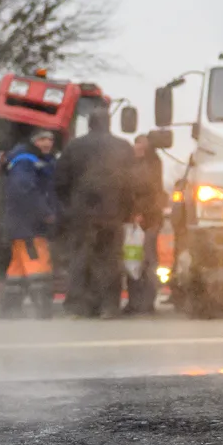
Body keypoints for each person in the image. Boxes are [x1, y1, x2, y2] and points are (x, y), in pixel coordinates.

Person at [55, 109, 139, 319]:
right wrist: (127, 210)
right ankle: (108, 306)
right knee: (110, 260)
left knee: (80, 258)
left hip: (82, 213)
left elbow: (60, 181)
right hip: (112, 213)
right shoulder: (122, 146)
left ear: (90, 123)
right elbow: (131, 183)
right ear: (108, 123)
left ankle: (79, 306)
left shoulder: (74, 146)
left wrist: (70, 206)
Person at [0, 130, 59, 318]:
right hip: (29, 226)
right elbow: (25, 190)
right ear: (34, 141)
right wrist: (45, 212)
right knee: (38, 264)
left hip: (20, 224)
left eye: (50, 139)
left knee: (17, 267)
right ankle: (43, 309)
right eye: (42, 139)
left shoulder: (33, 159)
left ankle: (10, 308)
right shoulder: (26, 160)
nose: (47, 143)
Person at [123, 134, 168, 315]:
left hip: (147, 220)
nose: (138, 147)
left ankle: (145, 302)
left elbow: (147, 190)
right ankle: (137, 301)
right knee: (134, 259)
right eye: (137, 144)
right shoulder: (144, 164)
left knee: (145, 260)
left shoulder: (150, 165)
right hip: (138, 220)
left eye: (142, 144)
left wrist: (138, 213)